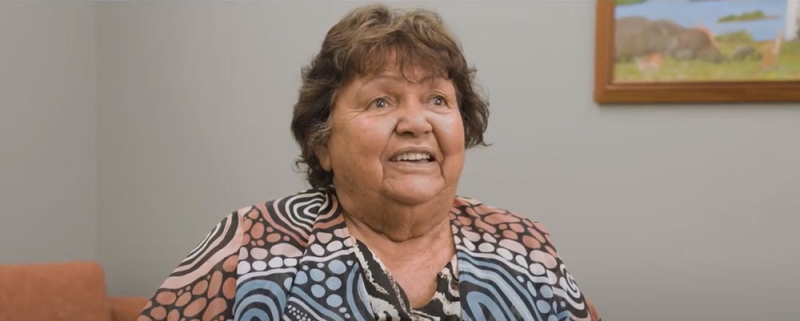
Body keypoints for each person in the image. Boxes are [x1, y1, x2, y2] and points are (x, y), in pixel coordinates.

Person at [137, 4, 601, 321]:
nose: (416, 122)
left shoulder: (525, 247)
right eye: (381, 102)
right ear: (323, 142)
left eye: (437, 99)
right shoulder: (251, 246)